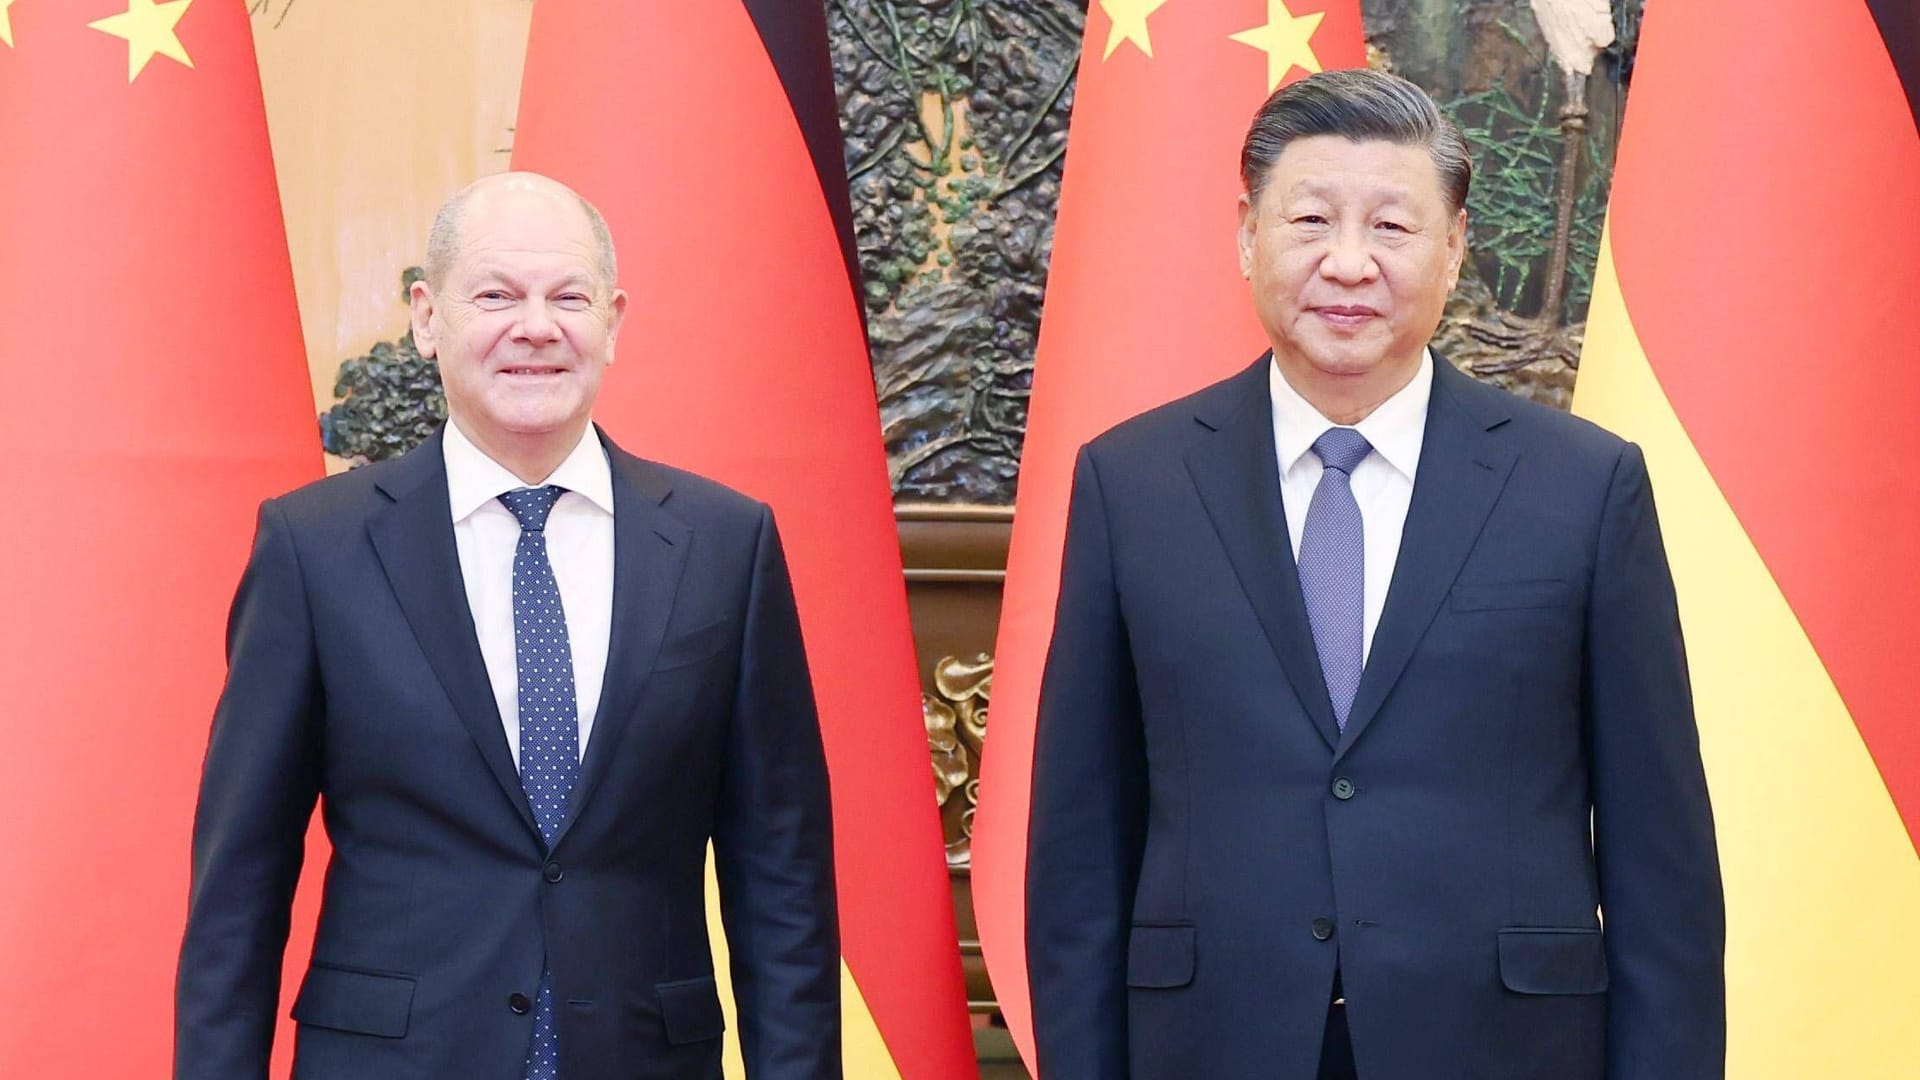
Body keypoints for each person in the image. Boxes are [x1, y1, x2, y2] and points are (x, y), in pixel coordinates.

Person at [1024, 69, 1723, 1079]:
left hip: (1504, 1046)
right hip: (1212, 1042)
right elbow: (1079, 848)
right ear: (1246, 236)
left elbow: (1663, 862)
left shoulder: (1580, 486)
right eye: (1310, 219)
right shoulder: (1134, 482)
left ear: (1455, 250)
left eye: (1392, 228)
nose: (1347, 264)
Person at [175, 172, 840, 1079]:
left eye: (569, 297)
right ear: (426, 315)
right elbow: (239, 885)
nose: (536, 327)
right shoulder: (314, 547)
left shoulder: (727, 544)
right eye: (495, 295)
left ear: (614, 320)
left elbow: (783, 881)